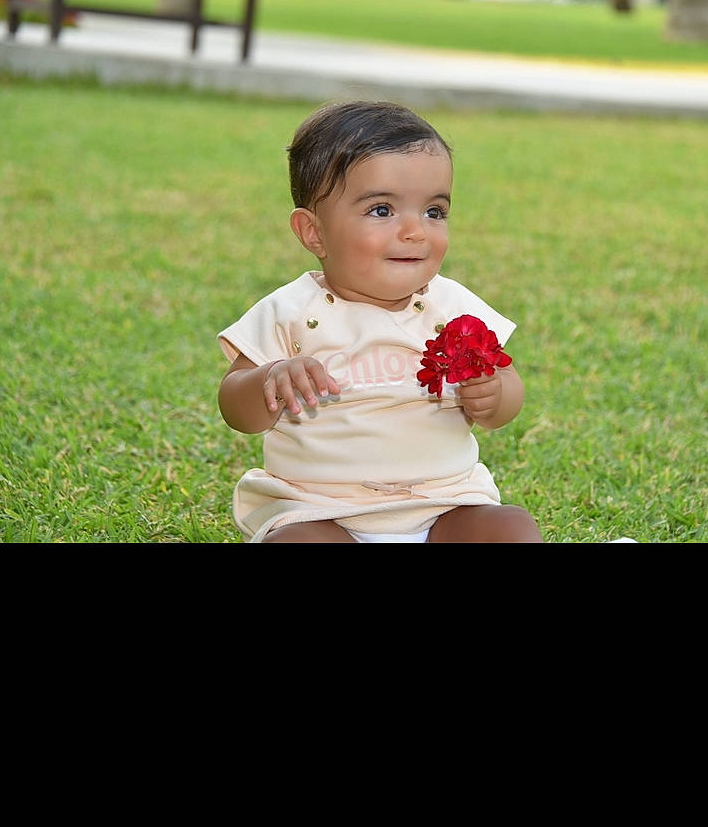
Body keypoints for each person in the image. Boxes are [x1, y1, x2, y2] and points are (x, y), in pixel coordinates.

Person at [217, 100, 544, 544]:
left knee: (510, 527)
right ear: (313, 232)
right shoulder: (289, 311)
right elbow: (235, 408)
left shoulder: (453, 307)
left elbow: (506, 391)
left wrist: (494, 394)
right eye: (382, 210)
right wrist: (270, 379)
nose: (415, 231)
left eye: (434, 211)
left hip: (444, 504)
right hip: (319, 508)